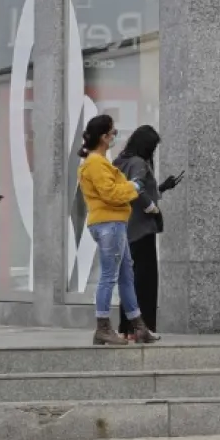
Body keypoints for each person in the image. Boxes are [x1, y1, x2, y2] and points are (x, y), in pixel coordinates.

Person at [78, 115, 157, 346]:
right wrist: (134, 186)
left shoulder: (99, 161)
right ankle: (103, 327)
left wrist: (127, 187)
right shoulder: (96, 163)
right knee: (109, 277)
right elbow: (111, 193)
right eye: (113, 133)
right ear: (103, 137)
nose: (115, 136)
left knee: (125, 277)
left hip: (113, 223)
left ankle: (139, 327)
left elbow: (115, 188)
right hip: (109, 223)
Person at [115, 126, 183, 342]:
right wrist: (151, 207)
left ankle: (127, 328)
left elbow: (131, 189)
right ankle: (143, 328)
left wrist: (162, 188)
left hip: (125, 227)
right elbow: (136, 188)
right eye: (152, 147)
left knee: (129, 281)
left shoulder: (120, 161)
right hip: (142, 229)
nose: (153, 151)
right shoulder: (139, 163)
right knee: (145, 282)